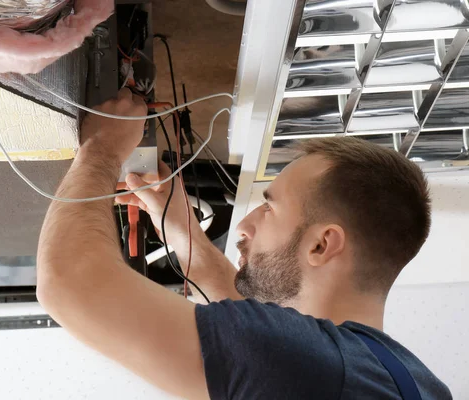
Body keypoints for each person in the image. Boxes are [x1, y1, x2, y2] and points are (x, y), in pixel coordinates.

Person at [36, 89, 451, 399]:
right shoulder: (412, 381)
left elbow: (70, 282)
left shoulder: (309, 366)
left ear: (322, 246)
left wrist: (103, 149)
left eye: (269, 209)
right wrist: (186, 235)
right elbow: (268, 334)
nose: (245, 225)